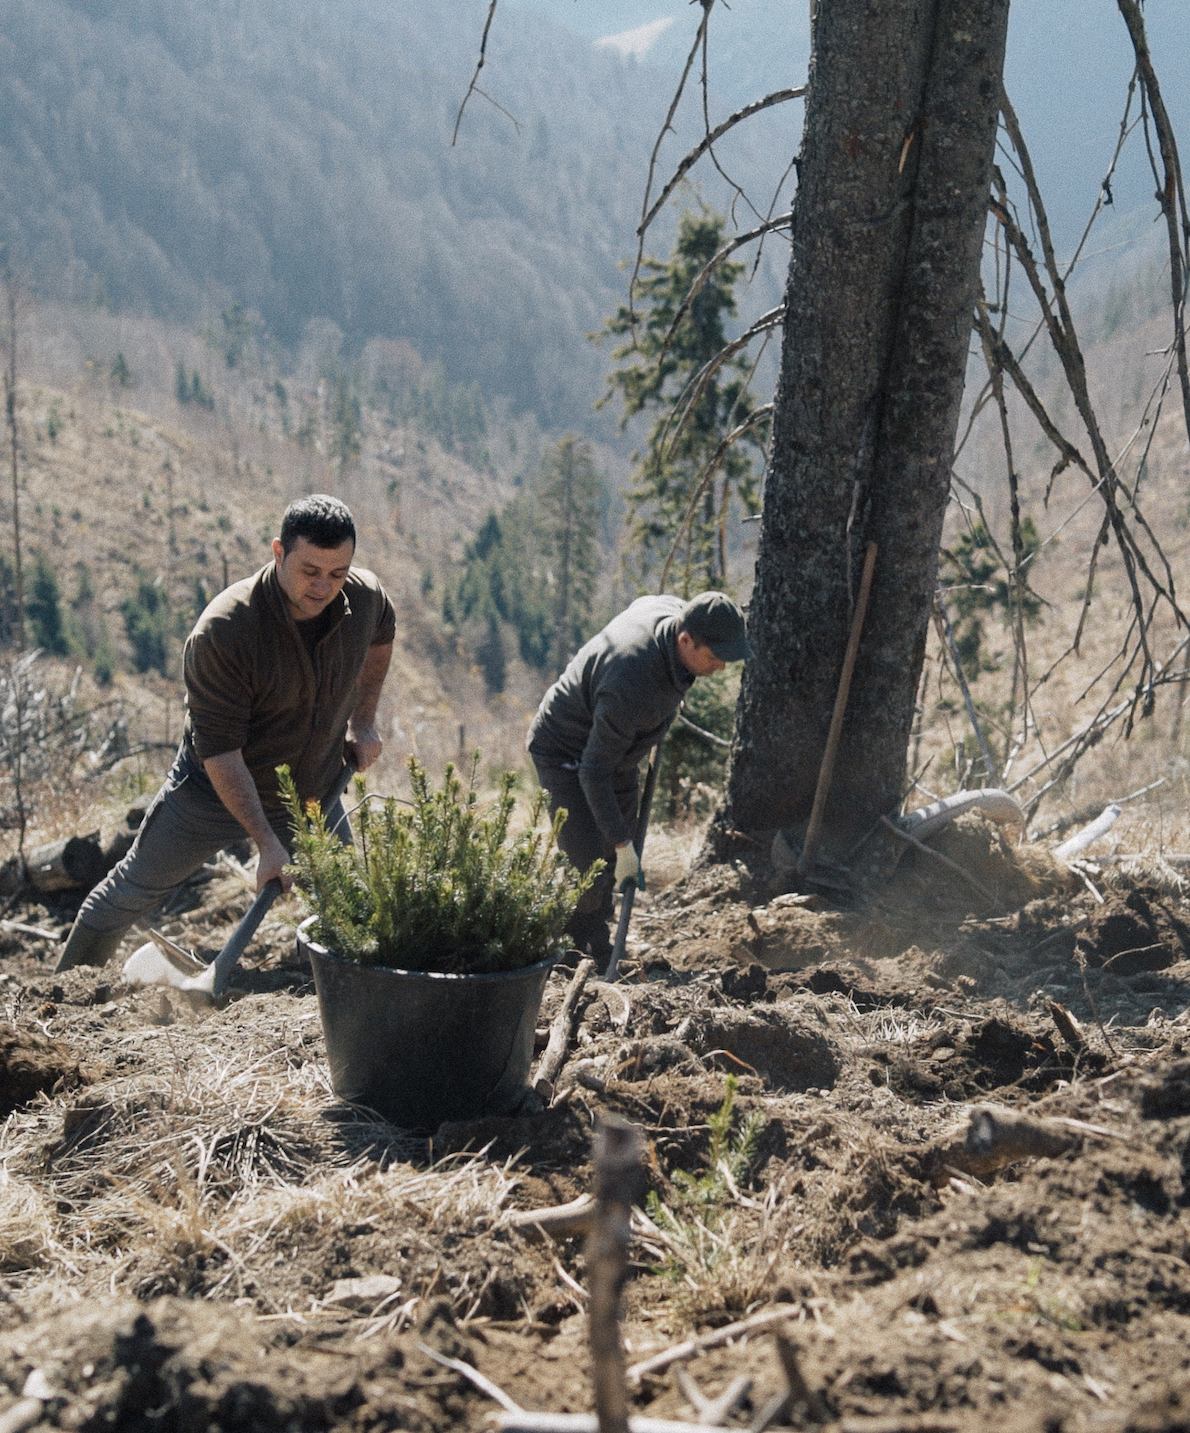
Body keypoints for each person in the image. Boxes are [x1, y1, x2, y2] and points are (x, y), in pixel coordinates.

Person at [56, 494, 396, 972]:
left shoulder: (362, 598)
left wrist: (363, 719)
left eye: (337, 573)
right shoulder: (225, 630)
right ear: (278, 553)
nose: (324, 586)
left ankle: (323, 986)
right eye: (310, 570)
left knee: (352, 909)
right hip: (211, 792)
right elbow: (221, 752)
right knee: (127, 895)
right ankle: (62, 998)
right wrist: (266, 843)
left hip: (310, 790)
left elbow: (382, 634)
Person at [527, 591, 753, 966]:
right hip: (565, 748)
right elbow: (592, 770)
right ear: (684, 640)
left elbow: (650, 598)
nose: (721, 668)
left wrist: (619, 844)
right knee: (587, 857)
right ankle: (565, 948)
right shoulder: (632, 679)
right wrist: (619, 844)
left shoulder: (674, 614)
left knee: (614, 853)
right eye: (714, 658)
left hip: (616, 750)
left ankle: (596, 940)